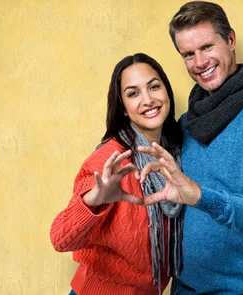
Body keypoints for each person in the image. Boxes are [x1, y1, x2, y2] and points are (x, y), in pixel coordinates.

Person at [137, 1, 243, 294]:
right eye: (188, 54)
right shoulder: (186, 123)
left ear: (231, 40)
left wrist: (202, 197)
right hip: (186, 289)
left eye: (207, 47)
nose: (200, 62)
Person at [50, 53, 184, 295]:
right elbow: (60, 239)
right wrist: (94, 200)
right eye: (133, 93)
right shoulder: (111, 160)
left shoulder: (176, 154)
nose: (148, 100)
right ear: (122, 107)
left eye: (154, 87)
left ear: (167, 92)